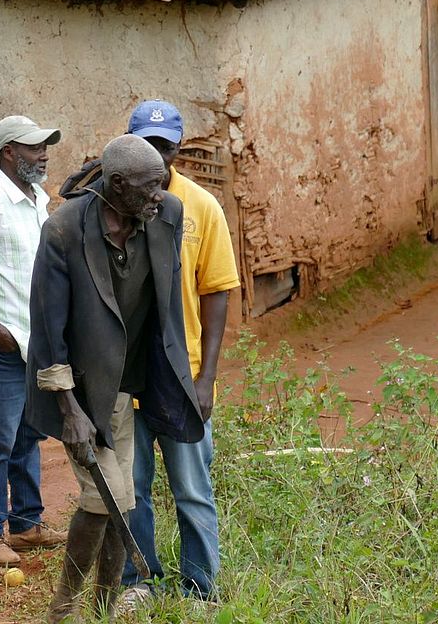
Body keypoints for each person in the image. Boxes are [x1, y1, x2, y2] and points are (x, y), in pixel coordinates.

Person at [26, 134, 201, 623]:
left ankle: (100, 609)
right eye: (148, 188)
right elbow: (47, 329)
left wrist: (179, 381)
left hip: (125, 386)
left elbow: (164, 308)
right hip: (77, 391)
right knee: (106, 497)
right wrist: (69, 410)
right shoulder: (63, 230)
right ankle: (64, 609)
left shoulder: (165, 214)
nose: (158, 196)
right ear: (116, 183)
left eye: (161, 186)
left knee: (117, 498)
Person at [119, 100, 240, 605]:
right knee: (131, 489)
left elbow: (216, 292)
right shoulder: (111, 206)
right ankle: (139, 583)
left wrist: (206, 377)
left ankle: (200, 590)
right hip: (127, 378)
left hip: (181, 376)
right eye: (146, 146)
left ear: (178, 148)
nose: (156, 157)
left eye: (165, 146)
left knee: (191, 489)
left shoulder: (201, 207)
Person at [0, 115, 66, 566]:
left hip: (34, 345)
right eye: (33, 147)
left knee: (29, 434)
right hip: (2, 347)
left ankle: (25, 524)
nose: (43, 153)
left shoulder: (39, 202)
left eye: (45, 146)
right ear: (8, 152)